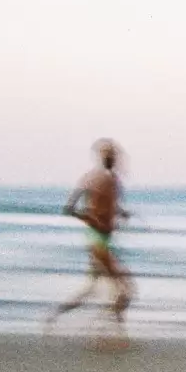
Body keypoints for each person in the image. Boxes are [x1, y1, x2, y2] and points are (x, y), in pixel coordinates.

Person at [48, 138, 134, 337]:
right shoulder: (93, 179)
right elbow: (69, 209)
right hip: (98, 241)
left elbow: (106, 206)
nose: (112, 159)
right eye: (108, 156)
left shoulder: (111, 181)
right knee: (125, 290)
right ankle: (112, 330)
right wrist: (89, 217)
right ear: (103, 158)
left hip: (102, 240)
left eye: (114, 156)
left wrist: (120, 212)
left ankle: (56, 316)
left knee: (93, 289)